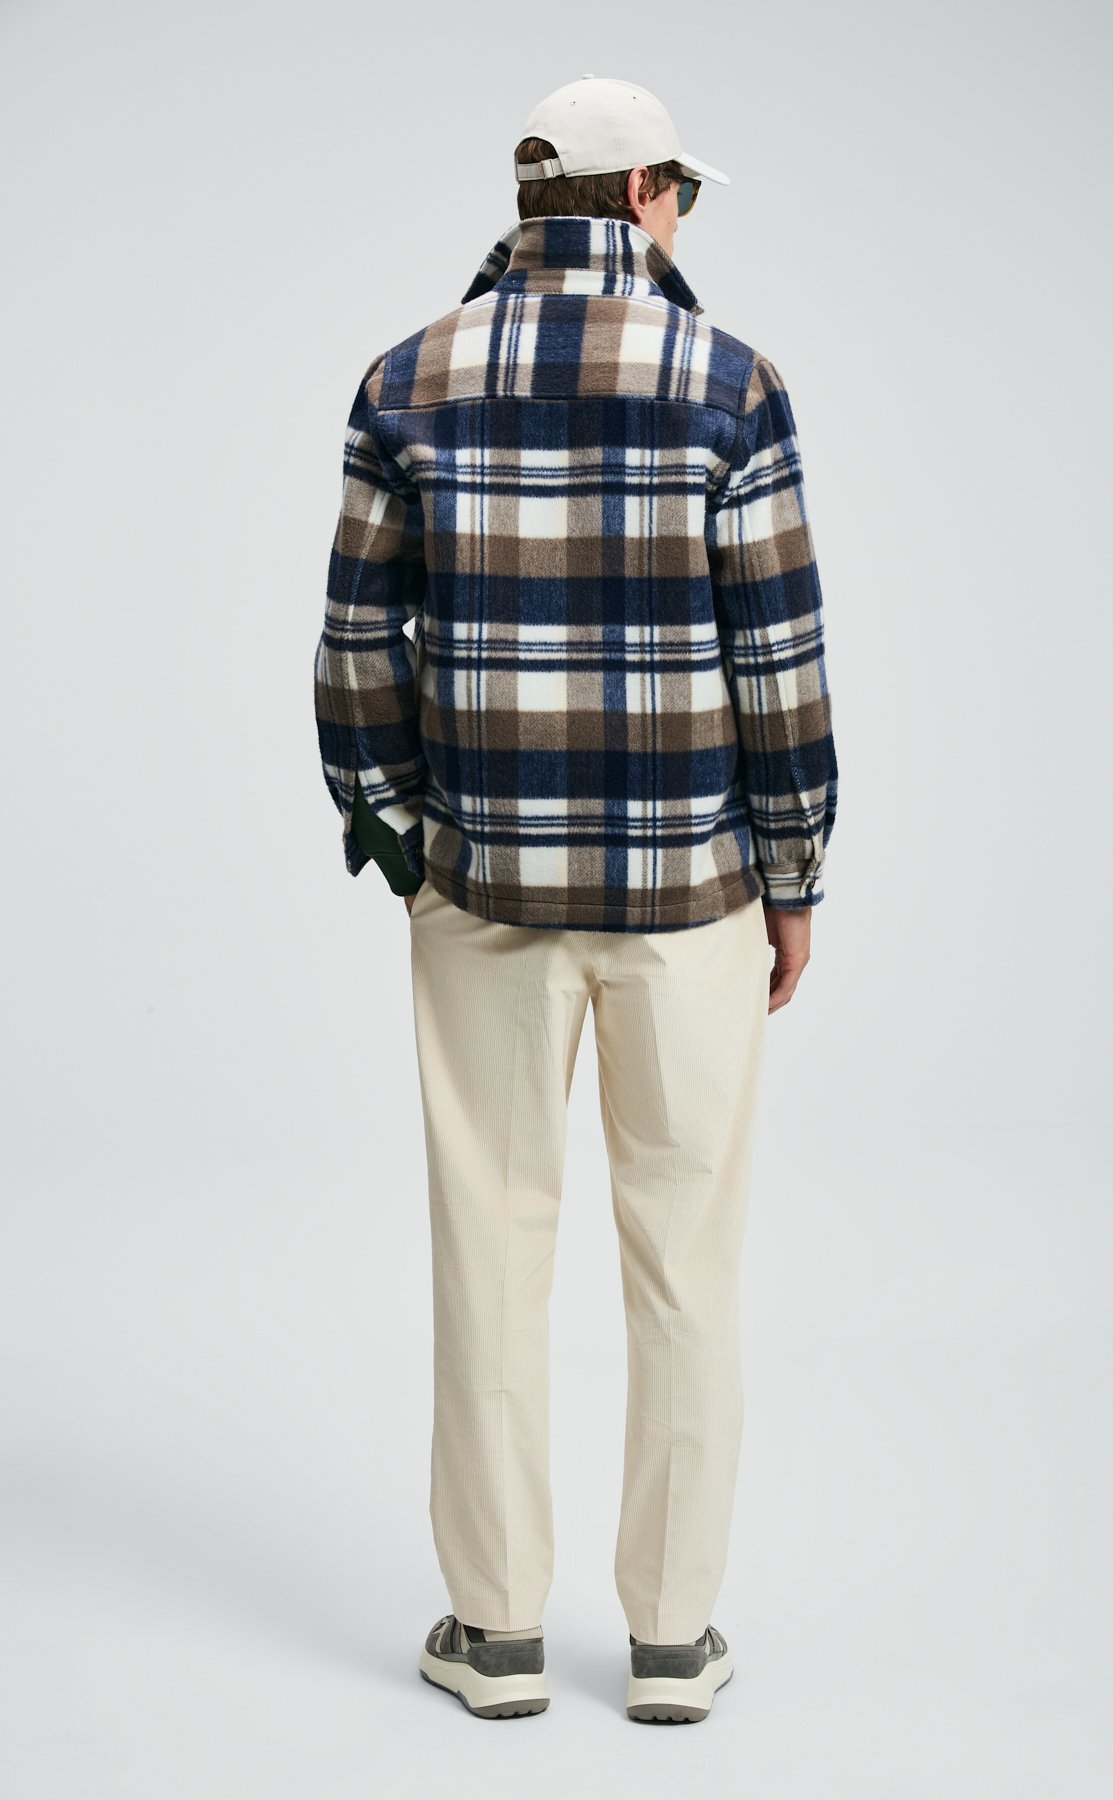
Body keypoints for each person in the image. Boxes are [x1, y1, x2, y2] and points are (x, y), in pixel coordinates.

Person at [314, 73, 839, 1725]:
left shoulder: (406, 378)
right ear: (637, 197)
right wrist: (795, 876)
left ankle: (496, 1636)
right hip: (690, 902)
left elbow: (354, 646)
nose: (684, 218)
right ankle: (673, 1642)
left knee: (490, 1249)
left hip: (484, 894)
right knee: (685, 1261)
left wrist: (399, 835)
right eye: (682, 192)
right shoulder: (733, 382)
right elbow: (779, 658)